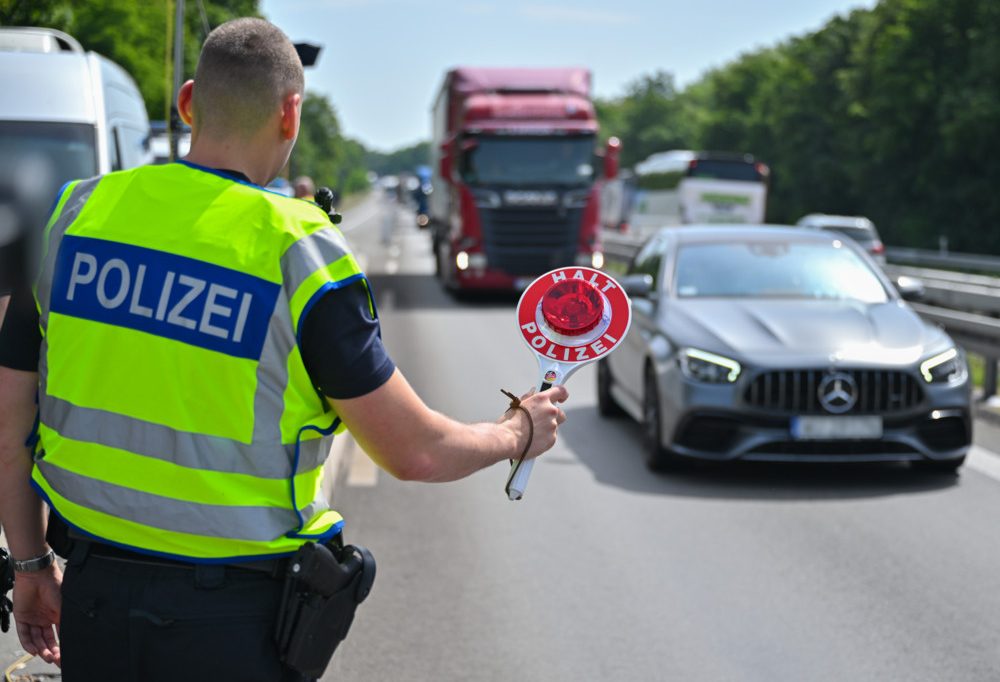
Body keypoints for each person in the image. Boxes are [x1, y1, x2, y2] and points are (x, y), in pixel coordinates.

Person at [0, 17, 568, 681]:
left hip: (94, 600)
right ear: (290, 113)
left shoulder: (76, 215)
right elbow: (415, 452)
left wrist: (32, 563)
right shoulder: (301, 251)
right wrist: (518, 431)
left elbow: (9, 431)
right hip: (234, 623)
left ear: (188, 101)